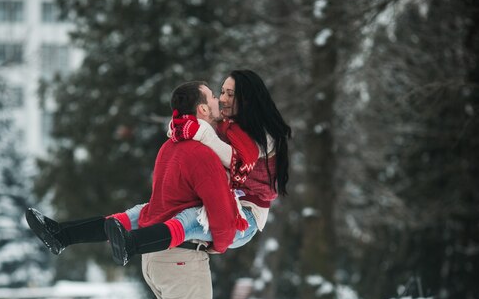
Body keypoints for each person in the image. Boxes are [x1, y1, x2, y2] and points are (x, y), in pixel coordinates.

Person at [26, 69, 291, 266]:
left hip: (244, 218)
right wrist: (182, 126)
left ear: (248, 99)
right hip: (218, 204)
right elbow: (196, 123)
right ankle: (62, 235)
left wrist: (202, 133)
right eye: (220, 92)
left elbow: (239, 166)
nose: (221, 99)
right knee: (140, 212)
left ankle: (132, 245)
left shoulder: (261, 135)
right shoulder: (228, 124)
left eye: (228, 94)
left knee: (186, 221)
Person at [127, 80, 241, 299]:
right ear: (202, 109)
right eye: (213, 98)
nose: (220, 101)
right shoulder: (201, 153)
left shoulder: (169, 147)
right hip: (181, 260)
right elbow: (221, 213)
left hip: (159, 258)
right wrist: (221, 243)